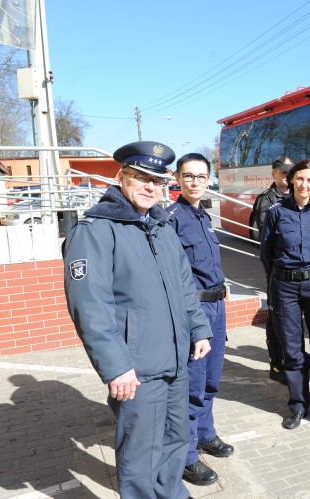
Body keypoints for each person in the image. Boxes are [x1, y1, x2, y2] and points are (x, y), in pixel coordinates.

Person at [63, 140, 212, 499]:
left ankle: (172, 493)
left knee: (176, 440)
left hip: (176, 360)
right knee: (141, 453)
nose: (150, 187)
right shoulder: (96, 229)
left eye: (157, 181)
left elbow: (183, 287)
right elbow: (90, 306)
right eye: (140, 178)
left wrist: (198, 328)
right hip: (137, 369)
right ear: (122, 177)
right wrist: (116, 367)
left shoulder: (161, 227)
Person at [166, 153, 233, 487]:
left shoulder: (203, 216)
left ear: (209, 180)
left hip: (217, 307)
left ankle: (206, 434)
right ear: (177, 179)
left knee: (211, 379)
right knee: (192, 384)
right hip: (195, 311)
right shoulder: (171, 218)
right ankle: (187, 456)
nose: (195, 182)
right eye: (188, 176)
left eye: (201, 176)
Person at [260, 159, 310, 431]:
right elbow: (266, 254)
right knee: (292, 351)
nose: (304, 184)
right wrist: (280, 282)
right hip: (285, 287)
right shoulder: (276, 211)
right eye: (300, 179)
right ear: (291, 180)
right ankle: (298, 406)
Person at [250, 156, 293, 384]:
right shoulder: (267, 200)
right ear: (274, 174)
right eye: (283, 172)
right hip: (278, 270)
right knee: (276, 318)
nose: (288, 175)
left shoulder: (300, 196)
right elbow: (270, 241)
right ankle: (277, 365)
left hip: (296, 273)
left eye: (290, 171)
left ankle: (292, 360)